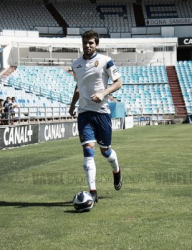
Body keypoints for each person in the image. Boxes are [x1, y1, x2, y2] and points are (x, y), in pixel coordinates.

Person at [69, 30, 123, 203]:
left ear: (96, 44)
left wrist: (103, 93)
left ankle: (116, 171)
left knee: (105, 151)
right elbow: (78, 87)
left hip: (102, 113)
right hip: (84, 113)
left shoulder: (106, 61)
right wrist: (72, 106)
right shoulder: (76, 64)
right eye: (85, 42)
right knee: (88, 149)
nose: (87, 45)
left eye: (91, 42)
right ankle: (92, 191)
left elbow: (118, 83)